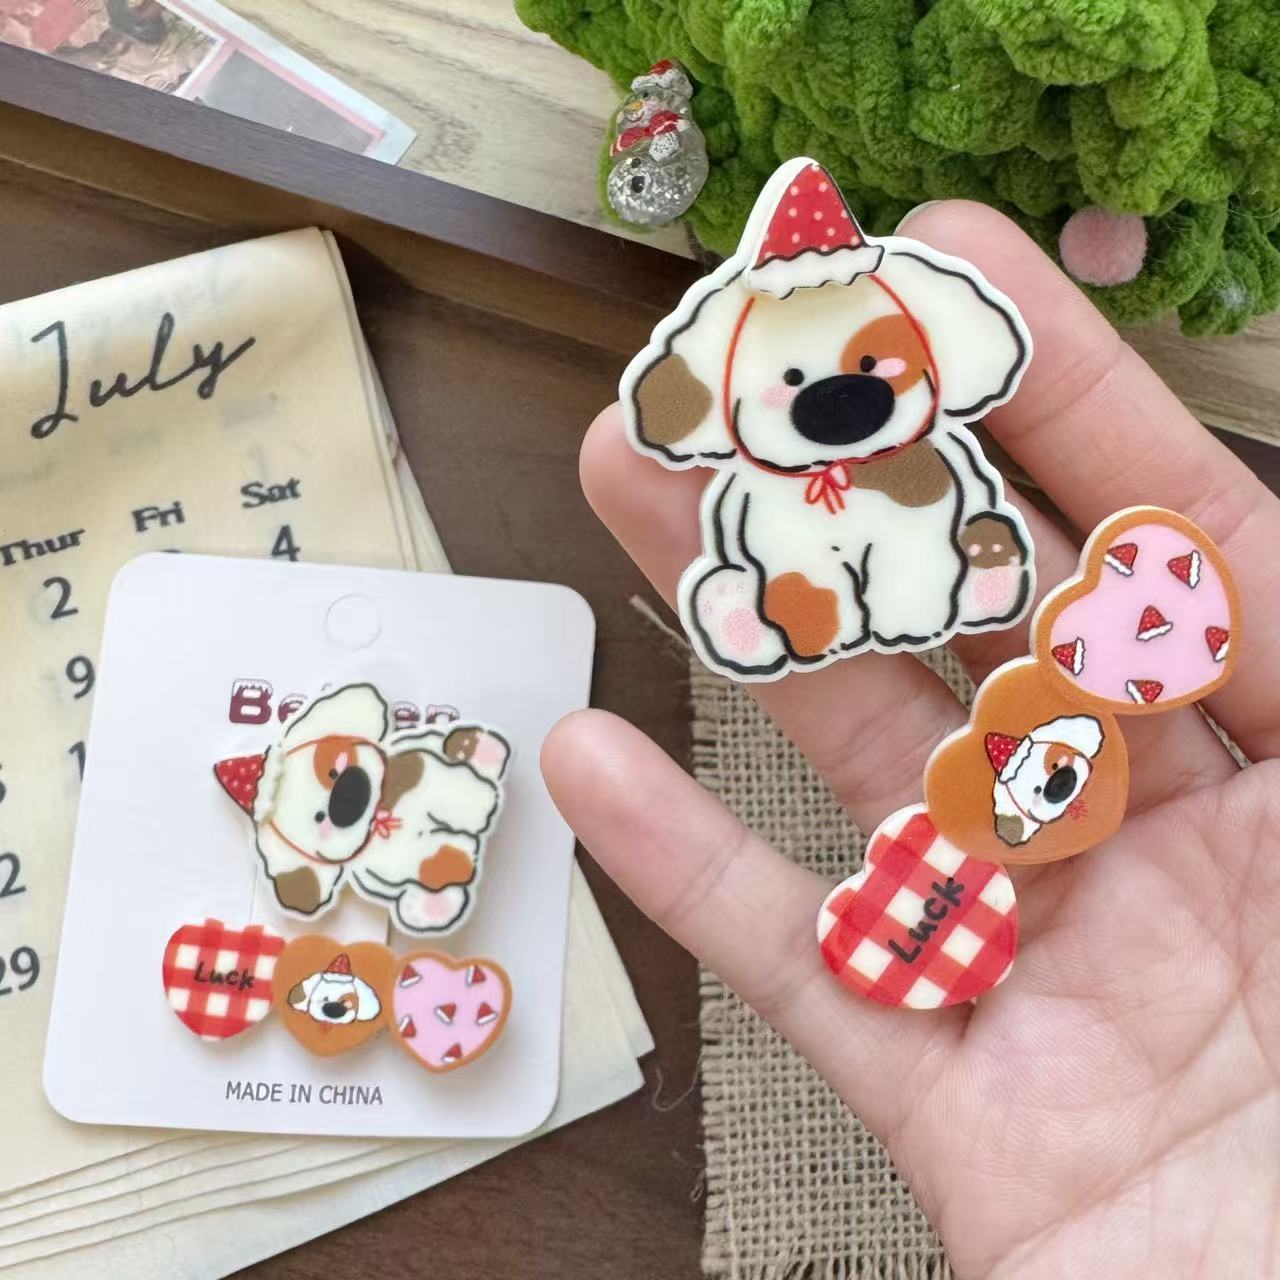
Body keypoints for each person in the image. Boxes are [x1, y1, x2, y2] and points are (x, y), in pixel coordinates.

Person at [541, 200, 1280, 1278]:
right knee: (791, 570)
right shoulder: (743, 455)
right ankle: (783, 602)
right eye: (792, 378)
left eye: (867, 364)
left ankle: (955, 570)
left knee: (938, 548)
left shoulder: (934, 429)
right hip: (804, 556)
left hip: (941, 539)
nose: (837, 393)